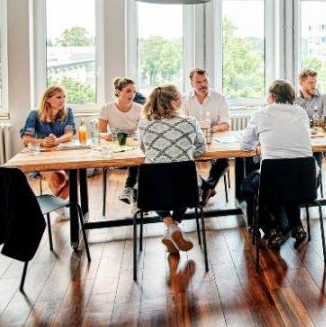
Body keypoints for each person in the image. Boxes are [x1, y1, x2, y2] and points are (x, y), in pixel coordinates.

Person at [240, 80, 314, 248]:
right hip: (305, 185)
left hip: (274, 185)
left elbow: (245, 145)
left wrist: (261, 142)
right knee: (289, 178)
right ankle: (296, 225)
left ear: (271, 97)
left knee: (247, 186)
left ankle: (271, 229)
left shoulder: (262, 114)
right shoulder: (301, 113)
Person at [139, 85, 208, 254]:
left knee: (153, 184)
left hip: (153, 191)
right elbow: (201, 148)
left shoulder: (144, 124)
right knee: (186, 180)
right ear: (174, 102)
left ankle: (171, 228)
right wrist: (185, 151)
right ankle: (174, 227)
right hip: (186, 188)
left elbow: (144, 150)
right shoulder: (190, 122)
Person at [21, 85, 76, 219]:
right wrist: (43, 142)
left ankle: (59, 205)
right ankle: (61, 207)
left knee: (78, 174)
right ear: (48, 99)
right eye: (58, 97)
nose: (62, 100)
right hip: (42, 156)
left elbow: (69, 134)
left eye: (64, 97)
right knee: (59, 177)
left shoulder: (68, 112)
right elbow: (26, 139)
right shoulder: (34, 114)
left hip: (64, 154)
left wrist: (56, 140)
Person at [180, 68, 231, 205]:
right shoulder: (184, 99)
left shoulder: (219, 98)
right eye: (198, 82)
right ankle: (206, 188)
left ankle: (207, 187)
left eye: (205, 81)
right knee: (182, 161)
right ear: (192, 83)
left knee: (223, 160)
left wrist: (209, 129)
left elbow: (225, 124)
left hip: (213, 139)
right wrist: (198, 132)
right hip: (192, 141)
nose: (203, 85)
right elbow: (182, 124)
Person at [98, 77, 143, 204]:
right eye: (128, 91)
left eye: (134, 91)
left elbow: (142, 131)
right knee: (137, 159)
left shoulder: (139, 108)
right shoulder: (106, 108)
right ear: (118, 92)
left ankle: (130, 190)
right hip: (115, 146)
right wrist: (106, 135)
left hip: (133, 145)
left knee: (138, 157)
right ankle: (135, 194)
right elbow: (99, 133)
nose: (132, 94)